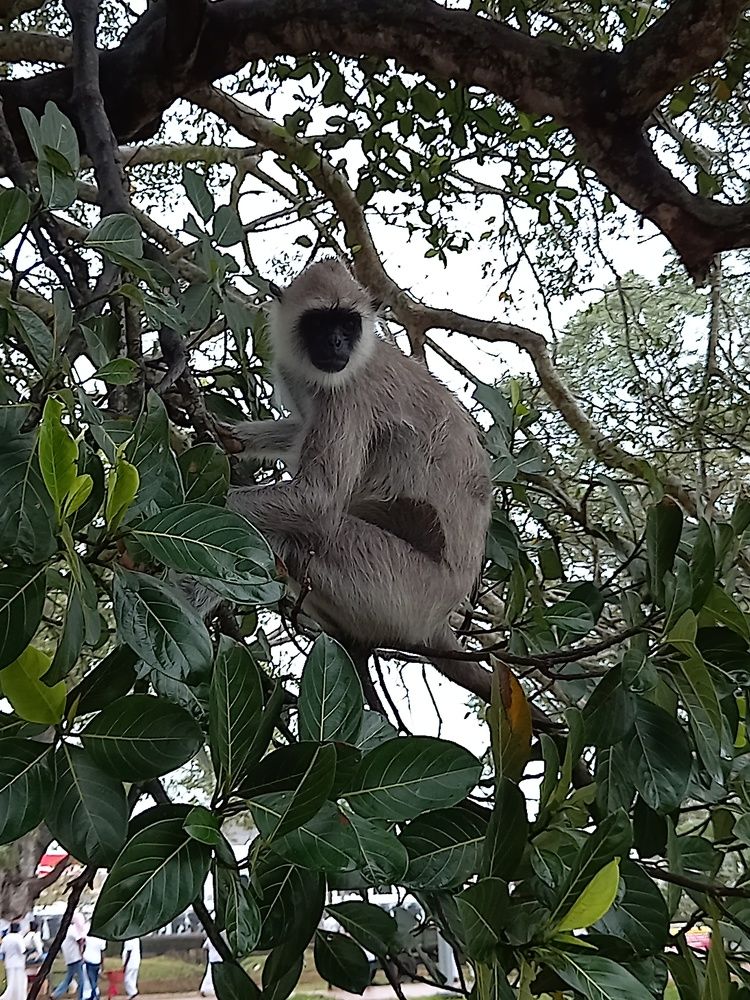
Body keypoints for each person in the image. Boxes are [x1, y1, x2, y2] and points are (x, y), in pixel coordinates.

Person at [51, 921, 86, 1000]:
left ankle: (56, 994)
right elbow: (79, 940)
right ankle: (80, 997)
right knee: (81, 980)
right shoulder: (71, 929)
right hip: (76, 957)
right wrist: (82, 952)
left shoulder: (62, 932)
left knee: (68, 979)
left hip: (68, 958)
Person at [0, 922, 26, 1000]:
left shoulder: (6, 938)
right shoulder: (19, 937)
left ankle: (8, 997)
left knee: (11, 982)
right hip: (19, 963)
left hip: (9, 963)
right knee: (19, 982)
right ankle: (20, 997)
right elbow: (23, 950)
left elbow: (2, 951)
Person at [82, 933, 106, 1000]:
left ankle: (95, 996)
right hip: (97, 961)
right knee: (94, 979)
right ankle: (93, 995)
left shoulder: (88, 935)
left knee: (91, 980)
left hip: (88, 960)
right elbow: (102, 952)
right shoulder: (102, 938)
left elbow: (84, 945)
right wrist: (102, 965)